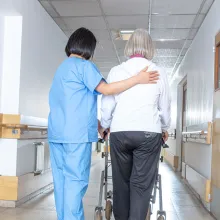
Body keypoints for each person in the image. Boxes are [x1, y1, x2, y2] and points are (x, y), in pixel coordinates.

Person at [48, 27, 159, 220]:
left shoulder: (61, 69)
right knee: (75, 183)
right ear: (88, 47)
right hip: (76, 137)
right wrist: (138, 79)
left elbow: (72, 105)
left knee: (61, 184)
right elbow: (107, 90)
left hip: (56, 134)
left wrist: (99, 126)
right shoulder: (84, 66)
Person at [100, 28, 171, 220]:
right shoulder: (159, 72)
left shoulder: (116, 70)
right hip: (149, 133)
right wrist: (165, 127)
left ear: (130, 46)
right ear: (150, 48)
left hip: (120, 132)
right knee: (140, 186)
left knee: (121, 184)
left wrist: (105, 125)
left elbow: (107, 104)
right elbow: (164, 107)